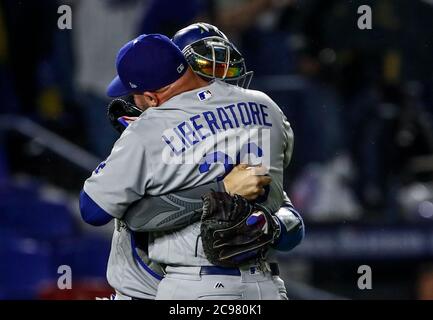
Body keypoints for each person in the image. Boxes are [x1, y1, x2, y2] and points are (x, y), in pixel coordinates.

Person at [80, 30, 300, 300]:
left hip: (195, 285)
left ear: (150, 97)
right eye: (208, 65)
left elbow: (93, 210)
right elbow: (285, 207)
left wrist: (220, 189)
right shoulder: (267, 106)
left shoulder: (149, 130)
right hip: (268, 287)